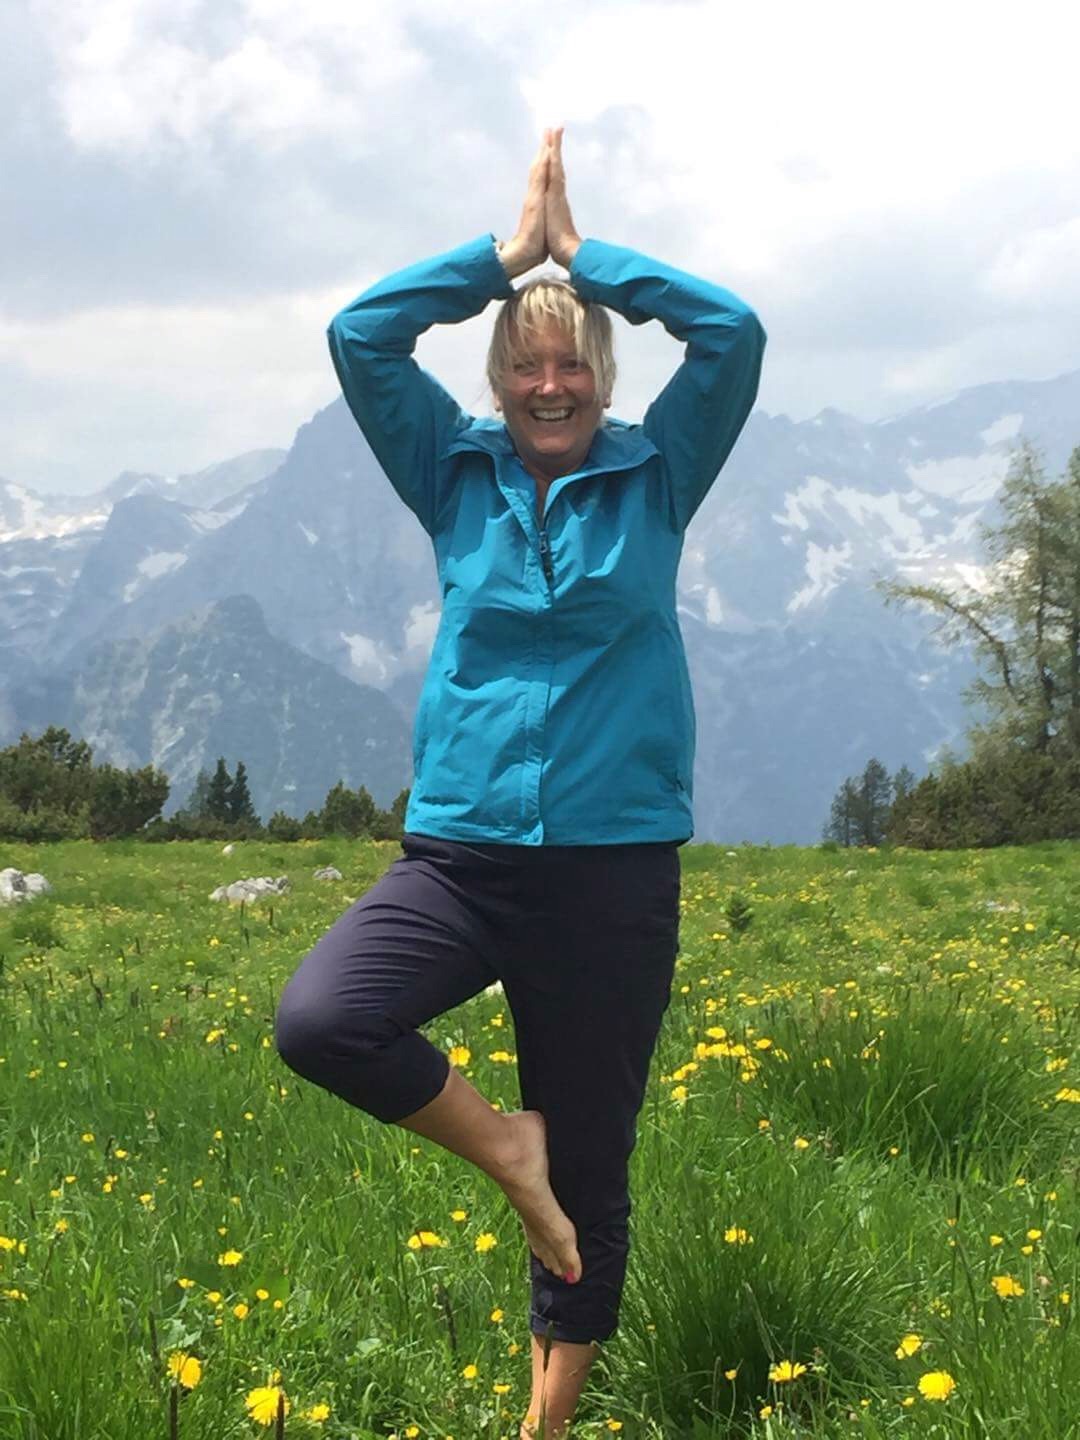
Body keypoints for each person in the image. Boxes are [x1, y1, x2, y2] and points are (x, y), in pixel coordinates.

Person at [275, 127, 766, 1438]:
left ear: (603, 376)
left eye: (573, 364)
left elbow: (732, 332)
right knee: (323, 1020)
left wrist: (583, 258)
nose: (551, 386)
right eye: (527, 366)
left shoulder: (659, 473)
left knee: (591, 1174)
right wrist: (503, 259)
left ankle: (542, 1429)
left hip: (613, 871)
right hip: (460, 858)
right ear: (496, 381)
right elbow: (361, 335)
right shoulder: (451, 469)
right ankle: (506, 1148)